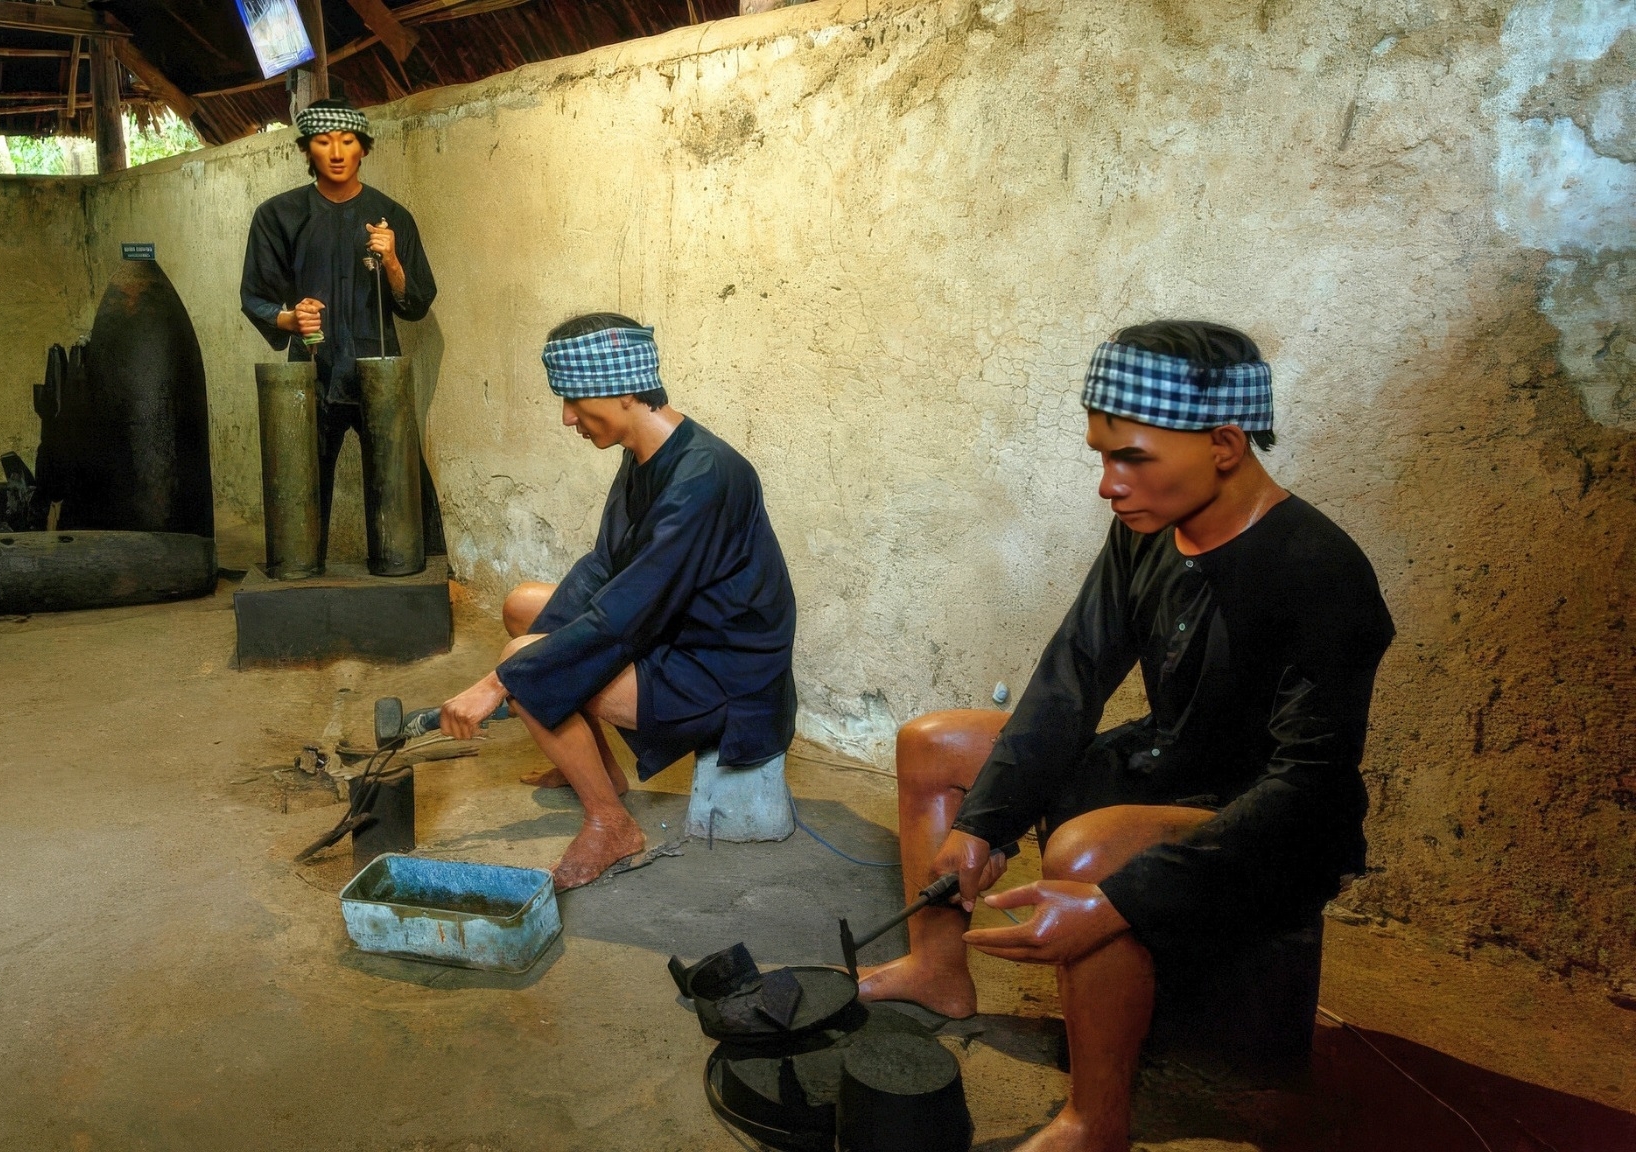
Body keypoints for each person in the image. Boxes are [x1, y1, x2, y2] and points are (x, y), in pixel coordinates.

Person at [858, 321, 1394, 1152]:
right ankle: (936, 969)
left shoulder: (1320, 572)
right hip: (1168, 761)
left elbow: (1310, 784)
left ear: (1223, 442)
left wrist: (1115, 902)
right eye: (1101, 457)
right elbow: (1073, 675)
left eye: (1132, 458)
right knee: (935, 743)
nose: (1109, 485)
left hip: (1272, 823)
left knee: (1084, 852)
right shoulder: (1145, 530)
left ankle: (1094, 1122)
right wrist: (984, 824)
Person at [438, 314, 798, 890]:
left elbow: (626, 613)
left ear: (626, 389)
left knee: (531, 665)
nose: (567, 418)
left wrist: (501, 680)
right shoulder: (644, 457)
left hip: (726, 673)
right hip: (677, 629)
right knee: (524, 610)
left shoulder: (706, 475)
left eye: (576, 402)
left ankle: (611, 824)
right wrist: (516, 664)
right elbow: (605, 567)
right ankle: (598, 769)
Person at [239, 98, 443, 565]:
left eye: (347, 142)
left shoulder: (393, 216)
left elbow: (416, 303)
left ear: (363, 150)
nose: (336, 152)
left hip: (379, 370)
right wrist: (289, 319)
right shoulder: (278, 216)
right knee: (301, 487)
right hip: (310, 370)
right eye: (323, 141)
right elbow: (256, 295)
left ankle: (412, 578)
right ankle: (302, 575)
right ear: (307, 150)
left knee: (400, 486)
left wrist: (391, 260)